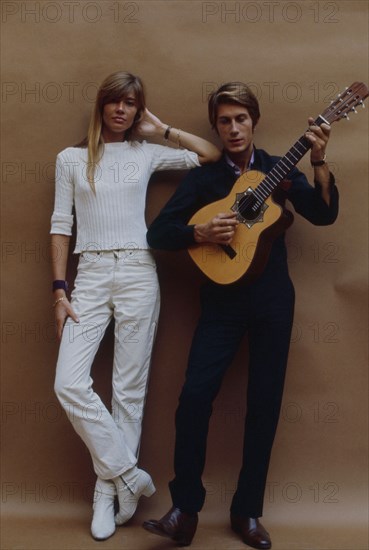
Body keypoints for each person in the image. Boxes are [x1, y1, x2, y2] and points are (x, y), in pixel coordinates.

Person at [143, 82, 339, 549]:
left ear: (255, 121)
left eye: (241, 119)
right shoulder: (205, 179)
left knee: (264, 406)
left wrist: (317, 161)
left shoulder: (280, 170)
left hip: (273, 300)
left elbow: (325, 215)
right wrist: (201, 232)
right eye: (225, 121)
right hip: (221, 303)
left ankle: (246, 513)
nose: (233, 129)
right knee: (194, 398)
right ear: (216, 126)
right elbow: (159, 233)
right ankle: (184, 511)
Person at [50, 71, 220, 541]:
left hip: (138, 273)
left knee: (128, 389)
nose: (122, 111)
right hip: (90, 275)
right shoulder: (71, 159)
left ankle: (107, 494)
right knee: (69, 383)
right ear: (101, 106)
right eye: (115, 102)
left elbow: (210, 156)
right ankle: (129, 474)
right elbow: (60, 226)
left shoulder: (144, 153)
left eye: (131, 104)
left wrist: (160, 129)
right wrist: (60, 291)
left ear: (137, 109)